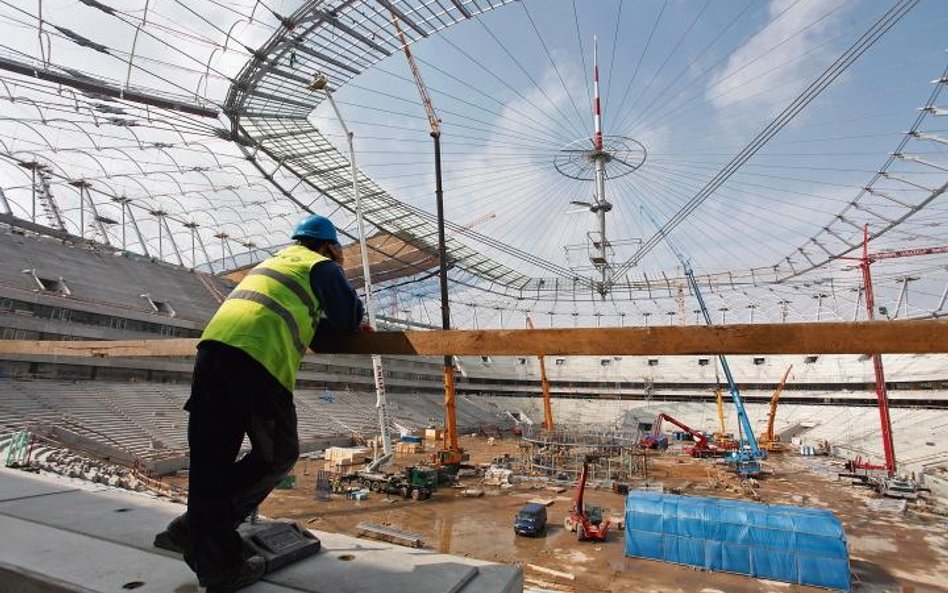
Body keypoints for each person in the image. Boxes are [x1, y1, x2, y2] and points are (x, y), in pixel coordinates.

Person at [156, 214, 365, 592]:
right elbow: (348, 317)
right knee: (278, 454)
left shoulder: (269, 264)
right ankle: (205, 544)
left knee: (210, 463)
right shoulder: (321, 266)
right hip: (258, 360)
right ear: (327, 247)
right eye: (339, 253)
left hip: (212, 354)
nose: (339, 259)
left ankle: (201, 539)